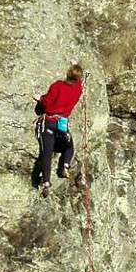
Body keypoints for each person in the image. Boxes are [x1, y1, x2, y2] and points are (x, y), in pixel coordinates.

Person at [34, 63, 84, 196]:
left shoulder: (57, 86)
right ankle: (65, 165)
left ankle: (46, 183)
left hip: (49, 122)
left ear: (68, 73)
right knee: (69, 146)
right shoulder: (77, 90)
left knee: (47, 153)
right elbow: (79, 83)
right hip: (62, 123)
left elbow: (46, 103)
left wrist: (40, 99)